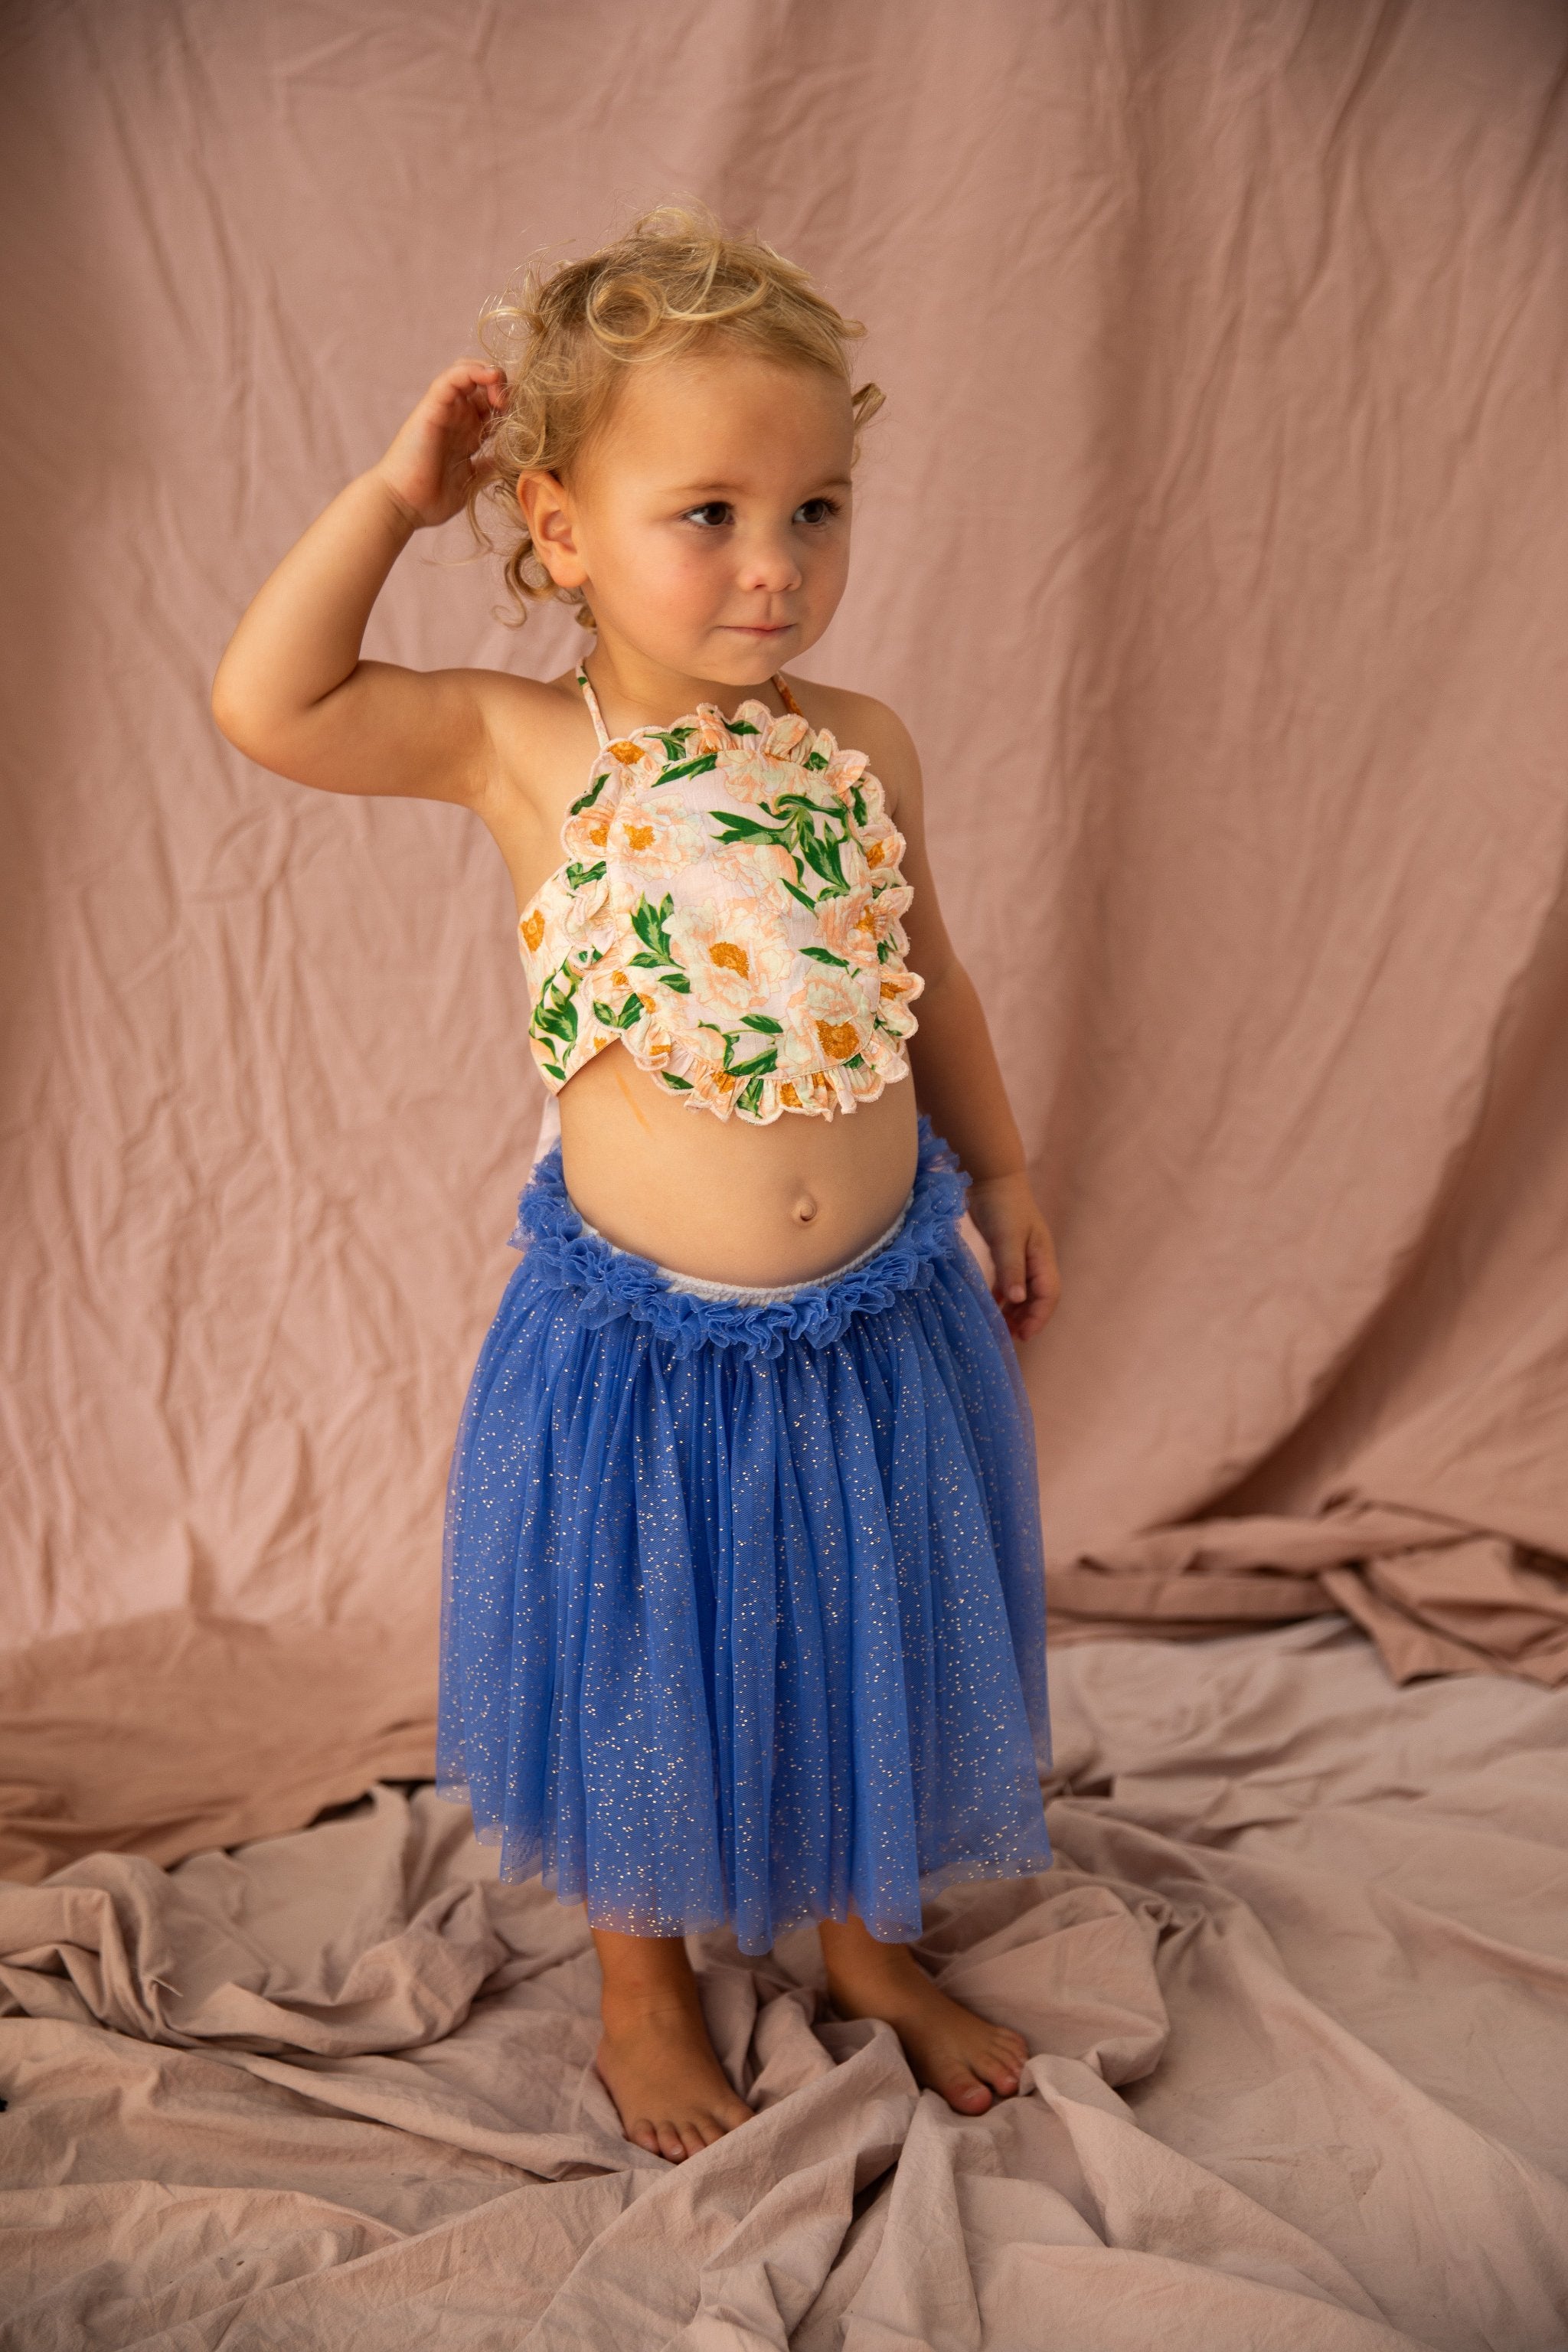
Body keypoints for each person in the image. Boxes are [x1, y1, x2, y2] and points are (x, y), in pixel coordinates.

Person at [211, 202, 1062, 2166]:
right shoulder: (530, 748)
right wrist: (389, 501)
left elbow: (929, 975)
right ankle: (640, 1982)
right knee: (647, 1655)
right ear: (562, 525)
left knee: (862, 1625)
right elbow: (271, 703)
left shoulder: (857, 747)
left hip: (877, 1314)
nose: (774, 570)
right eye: (708, 516)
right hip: (650, 1343)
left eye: (817, 511)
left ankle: (863, 1943)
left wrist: (1002, 1166)